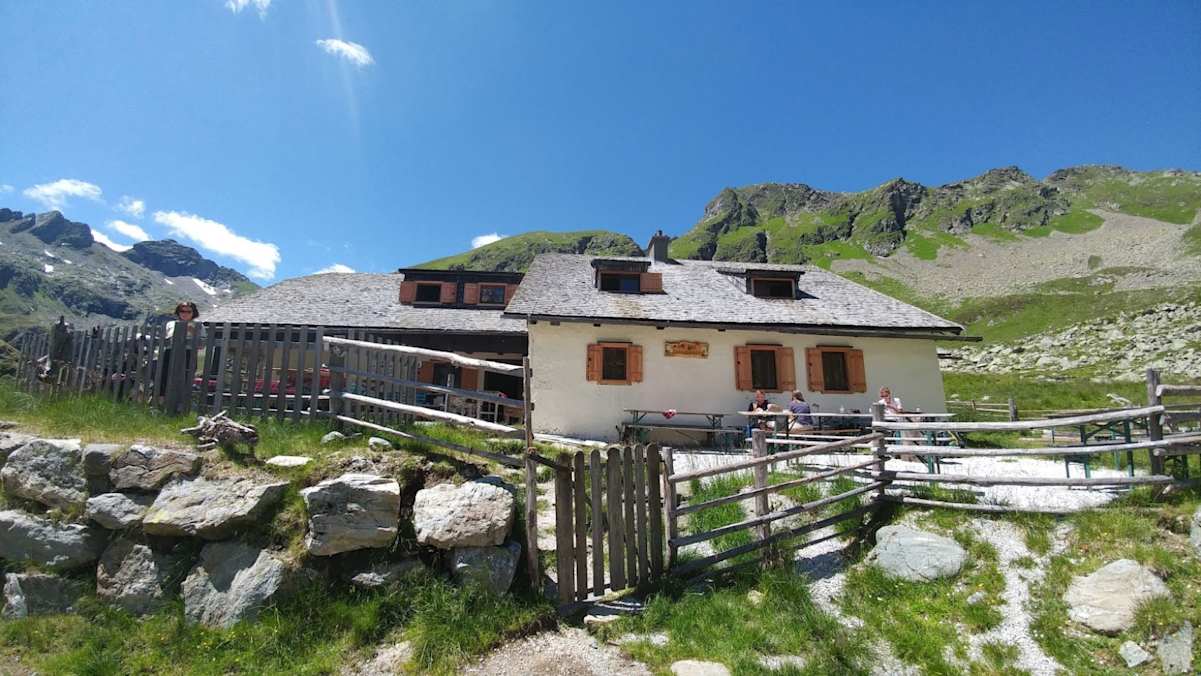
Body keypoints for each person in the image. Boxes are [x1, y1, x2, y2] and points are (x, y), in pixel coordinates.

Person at [159, 302, 206, 395]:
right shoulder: (170, 324)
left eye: (189, 311)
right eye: (182, 311)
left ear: (193, 313)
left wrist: (193, 331)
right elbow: (163, 340)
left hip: (189, 354)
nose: (185, 313)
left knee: (185, 379)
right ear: (178, 312)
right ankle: (161, 402)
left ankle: (180, 404)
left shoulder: (199, 325)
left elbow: (202, 344)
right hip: (170, 353)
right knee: (164, 378)